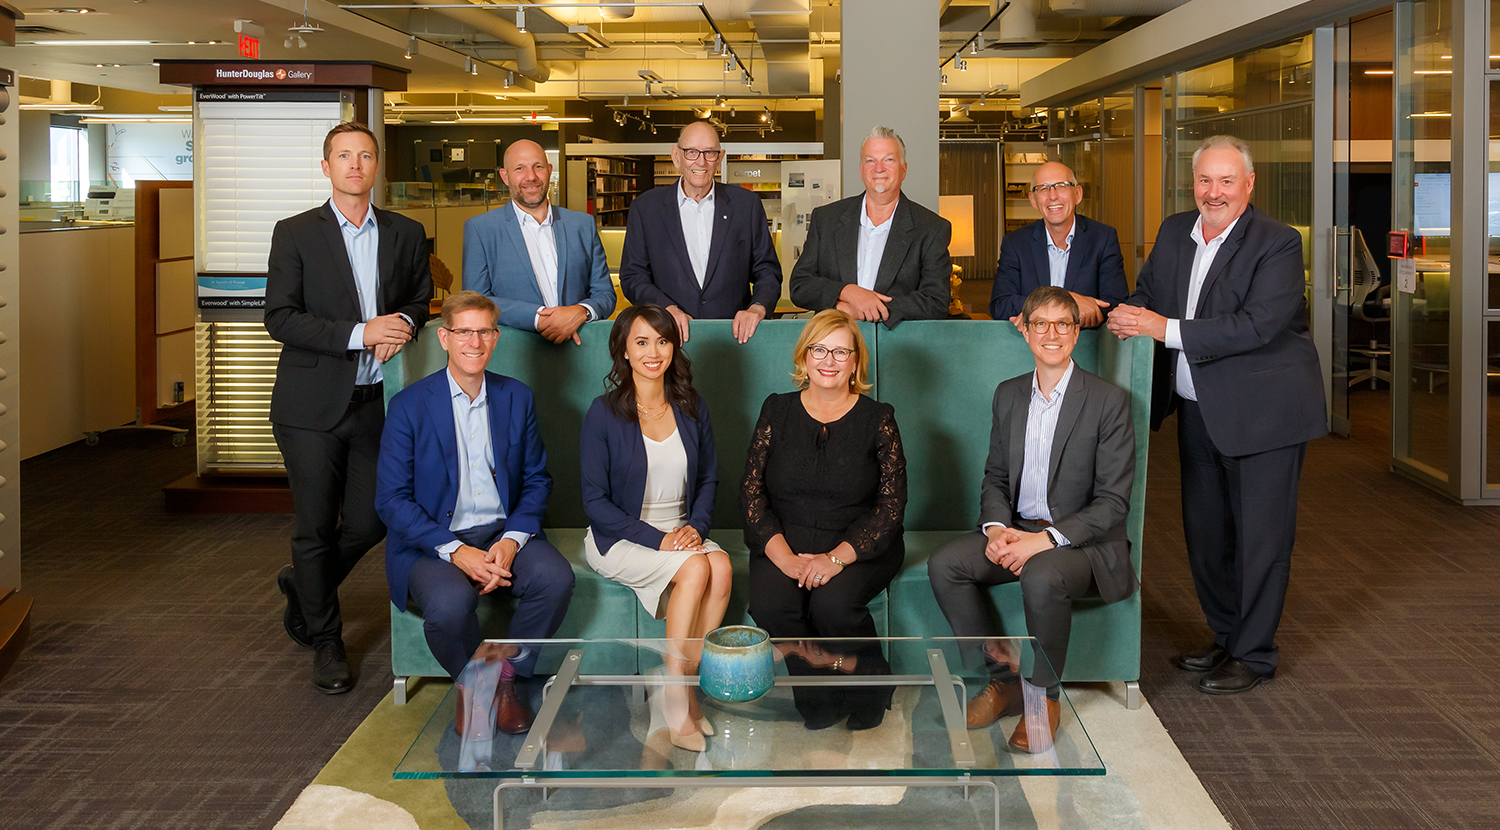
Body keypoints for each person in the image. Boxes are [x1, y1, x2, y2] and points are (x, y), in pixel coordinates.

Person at [1107, 135, 1326, 695]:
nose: (1214, 191)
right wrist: (1114, 313)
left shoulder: (1277, 243)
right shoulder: (1176, 231)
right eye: (1205, 180)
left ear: (1248, 186)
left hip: (1263, 414)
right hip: (1198, 410)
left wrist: (1161, 328)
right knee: (1207, 535)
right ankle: (1227, 637)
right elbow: (1148, 295)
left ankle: (1255, 654)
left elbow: (1256, 325)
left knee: (1261, 539)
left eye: (1227, 181)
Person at [927, 286, 1136, 753]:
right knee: (946, 564)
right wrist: (998, 529)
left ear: (1076, 333)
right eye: (1040, 323)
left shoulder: (1107, 401)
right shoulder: (1009, 394)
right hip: (1018, 526)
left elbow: (1113, 503)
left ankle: (1042, 696)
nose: (1052, 333)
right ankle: (1001, 682)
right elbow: (995, 476)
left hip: (1086, 544)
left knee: (1041, 575)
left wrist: (1044, 542)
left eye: (1063, 323)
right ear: (1026, 332)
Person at [264, 121, 432, 694]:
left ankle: (305, 586)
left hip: (377, 404)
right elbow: (279, 318)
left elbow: (417, 299)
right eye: (343, 156)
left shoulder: (407, 233)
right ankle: (327, 641)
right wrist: (363, 332)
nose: (355, 165)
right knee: (314, 525)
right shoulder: (295, 234)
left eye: (365, 155)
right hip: (310, 405)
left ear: (377, 165)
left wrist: (406, 323)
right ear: (326, 167)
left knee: (372, 519)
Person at [375, 291, 575, 733]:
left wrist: (512, 539)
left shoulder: (516, 397)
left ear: (496, 337)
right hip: (431, 542)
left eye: (484, 331)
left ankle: (508, 681)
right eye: (464, 332)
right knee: (450, 603)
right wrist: (455, 551)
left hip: (501, 530)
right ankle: (474, 684)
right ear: (444, 338)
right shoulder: (409, 405)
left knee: (556, 578)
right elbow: (390, 499)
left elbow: (538, 479)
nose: (475, 342)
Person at [741, 309, 907, 730]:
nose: (828, 360)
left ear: (855, 363)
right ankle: (819, 691)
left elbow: (889, 508)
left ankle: (869, 682)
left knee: (832, 604)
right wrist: (784, 558)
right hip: (784, 540)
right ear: (804, 356)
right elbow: (752, 493)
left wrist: (834, 559)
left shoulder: (879, 418)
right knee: (772, 604)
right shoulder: (776, 411)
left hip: (859, 542)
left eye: (840, 351)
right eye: (819, 349)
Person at [580, 304, 732, 752]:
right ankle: (674, 697)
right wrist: (660, 539)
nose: (653, 351)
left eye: (662, 341)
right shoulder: (603, 412)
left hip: (682, 528)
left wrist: (697, 528)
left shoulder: (691, 404)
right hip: (621, 537)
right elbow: (595, 504)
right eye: (641, 342)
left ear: (673, 347)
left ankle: (680, 687)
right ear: (624, 351)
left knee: (720, 567)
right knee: (696, 571)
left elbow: (708, 479)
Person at [619, 121, 782, 345]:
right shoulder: (646, 208)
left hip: (734, 341)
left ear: (720, 157)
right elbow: (632, 277)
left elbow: (767, 270)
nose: (701, 161)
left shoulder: (747, 205)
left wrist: (757, 307)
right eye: (692, 152)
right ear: (676, 156)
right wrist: (666, 309)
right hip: (668, 338)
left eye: (710, 153)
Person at [789, 126, 952, 328]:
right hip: (834, 348)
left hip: (897, 350)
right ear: (861, 170)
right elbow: (800, 285)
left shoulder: (932, 228)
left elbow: (936, 301)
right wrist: (846, 294)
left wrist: (868, 309)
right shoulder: (826, 219)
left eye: (889, 159)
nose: (879, 168)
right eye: (870, 160)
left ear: (904, 169)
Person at [462, 139, 615, 344]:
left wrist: (581, 311)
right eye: (520, 168)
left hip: (581, 352)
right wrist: (538, 317)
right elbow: (476, 300)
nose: (531, 177)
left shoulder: (582, 225)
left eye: (538, 167)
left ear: (549, 170)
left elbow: (605, 293)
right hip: (516, 356)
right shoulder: (481, 229)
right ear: (505, 177)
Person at [989, 162, 1128, 327]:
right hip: (1031, 349)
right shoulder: (1015, 243)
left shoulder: (1103, 238)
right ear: (1033, 200)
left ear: (1077, 194)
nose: (1053, 196)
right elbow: (1000, 304)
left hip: (1084, 347)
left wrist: (1036, 312)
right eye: (1043, 188)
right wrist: (1068, 301)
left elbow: (1116, 304)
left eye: (1061, 186)